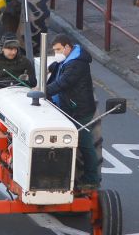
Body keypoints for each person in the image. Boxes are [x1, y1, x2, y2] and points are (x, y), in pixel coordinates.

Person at [45, 34, 98, 186]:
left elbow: (63, 82)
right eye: (54, 50)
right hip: (66, 108)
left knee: (84, 144)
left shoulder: (77, 64)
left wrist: (43, 91)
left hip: (79, 110)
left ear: (68, 47)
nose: (56, 53)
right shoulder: (69, 60)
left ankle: (91, 179)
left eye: (58, 49)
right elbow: (60, 71)